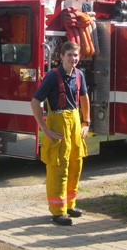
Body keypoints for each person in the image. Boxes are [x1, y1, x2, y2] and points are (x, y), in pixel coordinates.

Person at [31, 41, 91, 226]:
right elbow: (35, 101)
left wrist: (86, 122)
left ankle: (70, 205)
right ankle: (58, 212)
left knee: (75, 165)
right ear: (62, 57)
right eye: (69, 55)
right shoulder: (52, 76)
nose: (73, 58)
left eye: (76, 55)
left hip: (75, 123)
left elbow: (84, 98)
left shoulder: (79, 75)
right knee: (59, 167)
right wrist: (44, 129)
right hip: (57, 124)